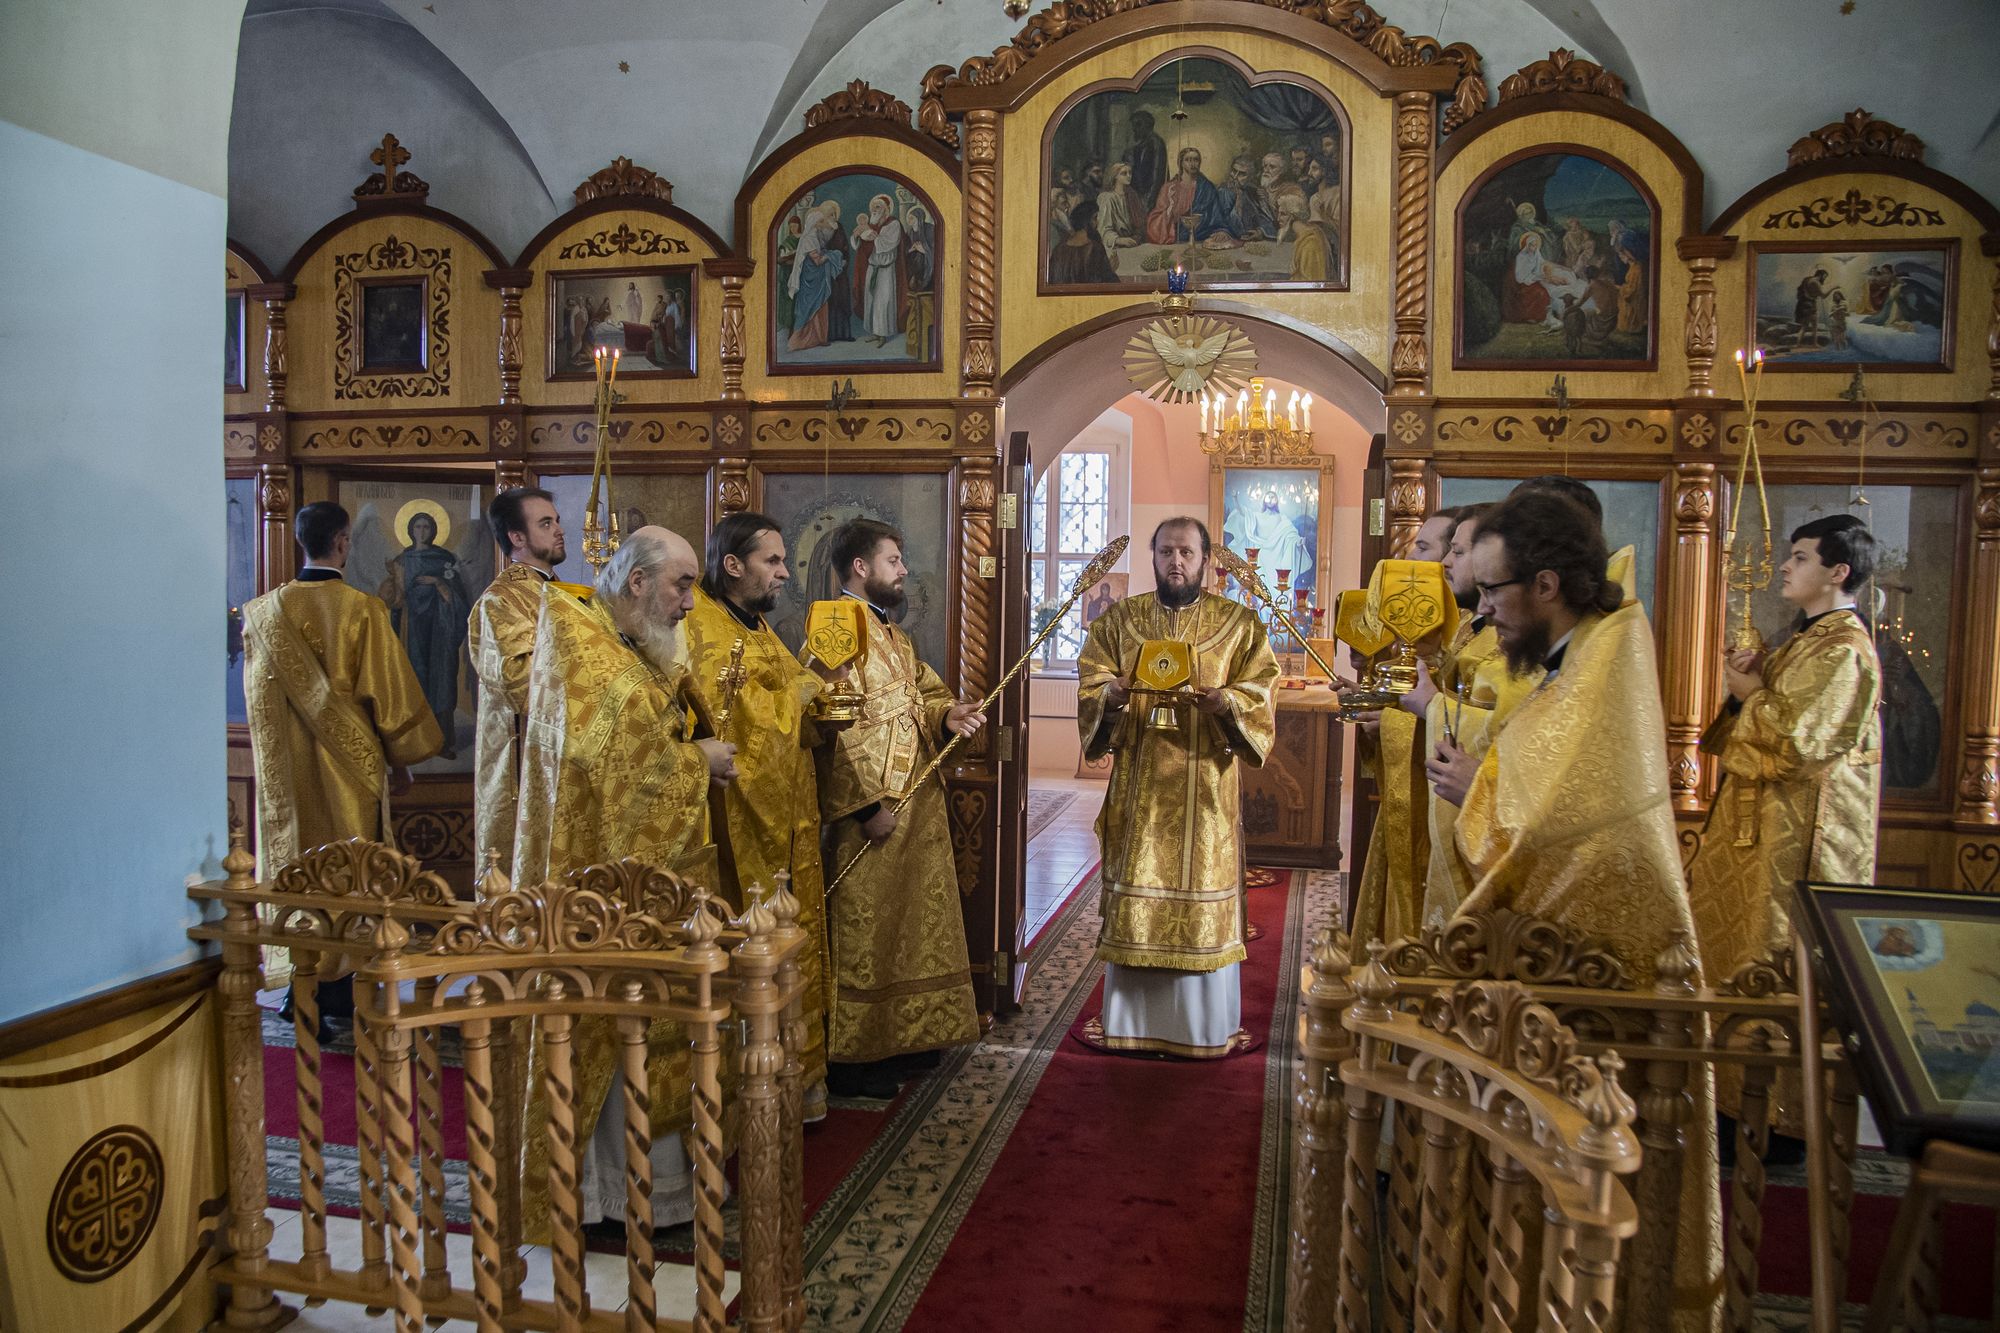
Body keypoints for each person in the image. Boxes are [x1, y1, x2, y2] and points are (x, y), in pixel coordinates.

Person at [1422, 488, 1720, 1329]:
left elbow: (1556, 807)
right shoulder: (1576, 648)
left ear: (1546, 584)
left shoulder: (1612, 646)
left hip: (1611, 950)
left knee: (1602, 1159)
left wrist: (1476, 782)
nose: (1482, 612)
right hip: (1564, 943)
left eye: (1492, 593)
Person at [512, 526, 738, 1243]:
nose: (689, 602)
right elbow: (617, 773)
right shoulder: (588, 650)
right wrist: (697, 761)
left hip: (645, 887)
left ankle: (653, 1185)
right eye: (681, 585)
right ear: (637, 582)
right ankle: (607, 1193)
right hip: (599, 898)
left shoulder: (623, 644)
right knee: (608, 1029)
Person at [1689, 515, 1881, 1139]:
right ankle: (1737, 1109)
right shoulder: (1806, 641)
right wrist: (1752, 683)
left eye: (1799, 557)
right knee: (1742, 955)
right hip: (1765, 833)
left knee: (1778, 963)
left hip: (1801, 843)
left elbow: (1801, 744)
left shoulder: (1845, 648)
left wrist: (1751, 693)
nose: (1784, 567)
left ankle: (1780, 1122)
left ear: (1838, 571)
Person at [1076, 518, 1278, 1056]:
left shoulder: (1238, 623)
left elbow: (1259, 689)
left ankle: (1202, 1028)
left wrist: (1225, 702)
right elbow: (1091, 681)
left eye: (1186, 552)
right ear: (1153, 556)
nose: (1176, 562)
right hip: (1140, 790)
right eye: (1166, 551)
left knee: (1201, 901)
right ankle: (1131, 1024)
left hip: (1205, 790)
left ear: (1207, 559)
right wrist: (1113, 694)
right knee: (1136, 894)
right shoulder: (1121, 620)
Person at [242, 502, 442, 1026]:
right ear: (342, 543)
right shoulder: (361, 610)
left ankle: (300, 981)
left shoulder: (263, 613)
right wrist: (402, 760)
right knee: (350, 872)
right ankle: (341, 988)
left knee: (298, 870)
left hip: (285, 774)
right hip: (351, 770)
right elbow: (391, 699)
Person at [813, 519, 983, 1097]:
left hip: (916, 803)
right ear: (860, 568)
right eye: (893, 560)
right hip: (878, 811)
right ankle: (859, 1057)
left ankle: (905, 1037)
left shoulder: (892, 633)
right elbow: (830, 723)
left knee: (906, 925)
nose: (904, 570)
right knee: (869, 929)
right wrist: (864, 808)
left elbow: (922, 695)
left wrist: (947, 715)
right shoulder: (837, 627)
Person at [682, 512, 834, 1120]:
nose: (783, 571)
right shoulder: (706, 629)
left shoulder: (757, 626)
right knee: (753, 940)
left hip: (790, 812)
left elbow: (790, 691)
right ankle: (755, 1084)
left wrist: (816, 694)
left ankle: (796, 1077)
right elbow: (744, 728)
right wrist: (810, 690)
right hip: (740, 821)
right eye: (772, 561)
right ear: (733, 565)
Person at [1345, 509, 1457, 944]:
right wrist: (1374, 700)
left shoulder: (1465, 637)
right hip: (1409, 806)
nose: (1415, 557)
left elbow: (1451, 716)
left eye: (1425, 547)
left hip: (1441, 814)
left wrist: (1388, 714)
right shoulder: (1447, 634)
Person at [467, 487, 570, 879]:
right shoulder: (502, 600)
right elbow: (518, 681)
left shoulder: (563, 593)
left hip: (563, 756)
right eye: (546, 523)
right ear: (517, 537)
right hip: (522, 763)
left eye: (557, 520)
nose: (559, 530)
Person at [377, 509, 470, 758]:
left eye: (426, 527)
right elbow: (392, 600)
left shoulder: (444, 559)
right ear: (409, 531)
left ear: (434, 530)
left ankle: (442, 741)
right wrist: (392, 586)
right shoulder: (401, 561)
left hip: (439, 630)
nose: (422, 532)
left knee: (441, 680)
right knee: (414, 679)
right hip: (411, 631)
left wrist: (439, 583)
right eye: (417, 527)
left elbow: (461, 599)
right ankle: (414, 742)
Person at [786, 202, 848, 351]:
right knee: (808, 308)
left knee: (820, 307)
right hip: (810, 281)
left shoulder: (814, 235)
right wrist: (835, 255)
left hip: (817, 279)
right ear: (814, 223)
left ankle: (818, 338)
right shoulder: (809, 238)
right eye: (821, 221)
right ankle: (797, 342)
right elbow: (818, 260)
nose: (823, 223)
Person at [1144, 147, 1235, 247]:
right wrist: (1170, 209)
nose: (1192, 164)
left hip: (1202, 239)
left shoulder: (1207, 187)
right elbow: (1156, 220)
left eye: (1196, 160)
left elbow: (1217, 216)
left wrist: (1221, 231)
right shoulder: (1169, 188)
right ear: (1181, 163)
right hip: (1175, 240)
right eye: (1188, 160)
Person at [851, 193, 905, 347]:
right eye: (873, 207)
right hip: (872, 268)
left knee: (883, 302)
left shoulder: (893, 224)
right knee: (871, 301)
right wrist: (856, 235)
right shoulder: (870, 224)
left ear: (886, 209)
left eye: (878, 207)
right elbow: (858, 245)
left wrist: (873, 237)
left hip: (886, 270)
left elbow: (888, 244)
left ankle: (883, 335)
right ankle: (875, 332)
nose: (874, 210)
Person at [1048, 198, 1122, 285]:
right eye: (1094, 218)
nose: (1097, 222)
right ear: (1086, 221)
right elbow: (1100, 286)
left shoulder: (1058, 249)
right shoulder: (1095, 249)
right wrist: (1110, 270)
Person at [1279, 190, 1333, 282]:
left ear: (1292, 216)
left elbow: (1310, 284)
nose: (1278, 218)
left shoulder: (1310, 245)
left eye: (1283, 214)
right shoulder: (1304, 238)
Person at [1123, 110, 1168, 210]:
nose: (1134, 129)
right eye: (1133, 125)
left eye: (1138, 125)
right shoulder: (1139, 146)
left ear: (1148, 126)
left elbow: (1157, 174)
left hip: (1150, 198)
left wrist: (1150, 200)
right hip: (1137, 196)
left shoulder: (1156, 144)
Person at [1095, 162, 1145, 249]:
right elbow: (1103, 230)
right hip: (1115, 246)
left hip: (1133, 242)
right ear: (1115, 176)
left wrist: (1136, 237)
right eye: (1124, 173)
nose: (1128, 176)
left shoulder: (1132, 196)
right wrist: (1119, 240)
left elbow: (1140, 224)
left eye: (1130, 172)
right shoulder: (1107, 198)